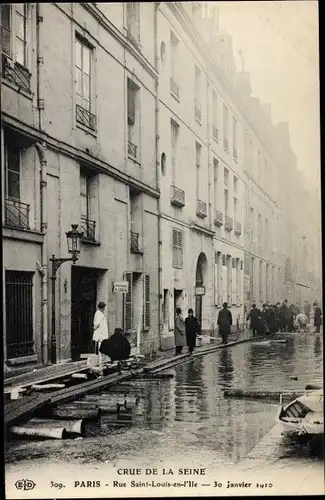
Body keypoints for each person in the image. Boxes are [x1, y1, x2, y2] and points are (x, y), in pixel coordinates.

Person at [93, 301, 109, 371]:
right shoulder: (98, 313)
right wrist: (94, 328)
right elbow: (97, 324)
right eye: (104, 307)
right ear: (103, 307)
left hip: (102, 334)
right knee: (100, 349)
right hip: (101, 335)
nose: (105, 308)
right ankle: (100, 365)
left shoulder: (100, 313)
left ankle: (101, 363)